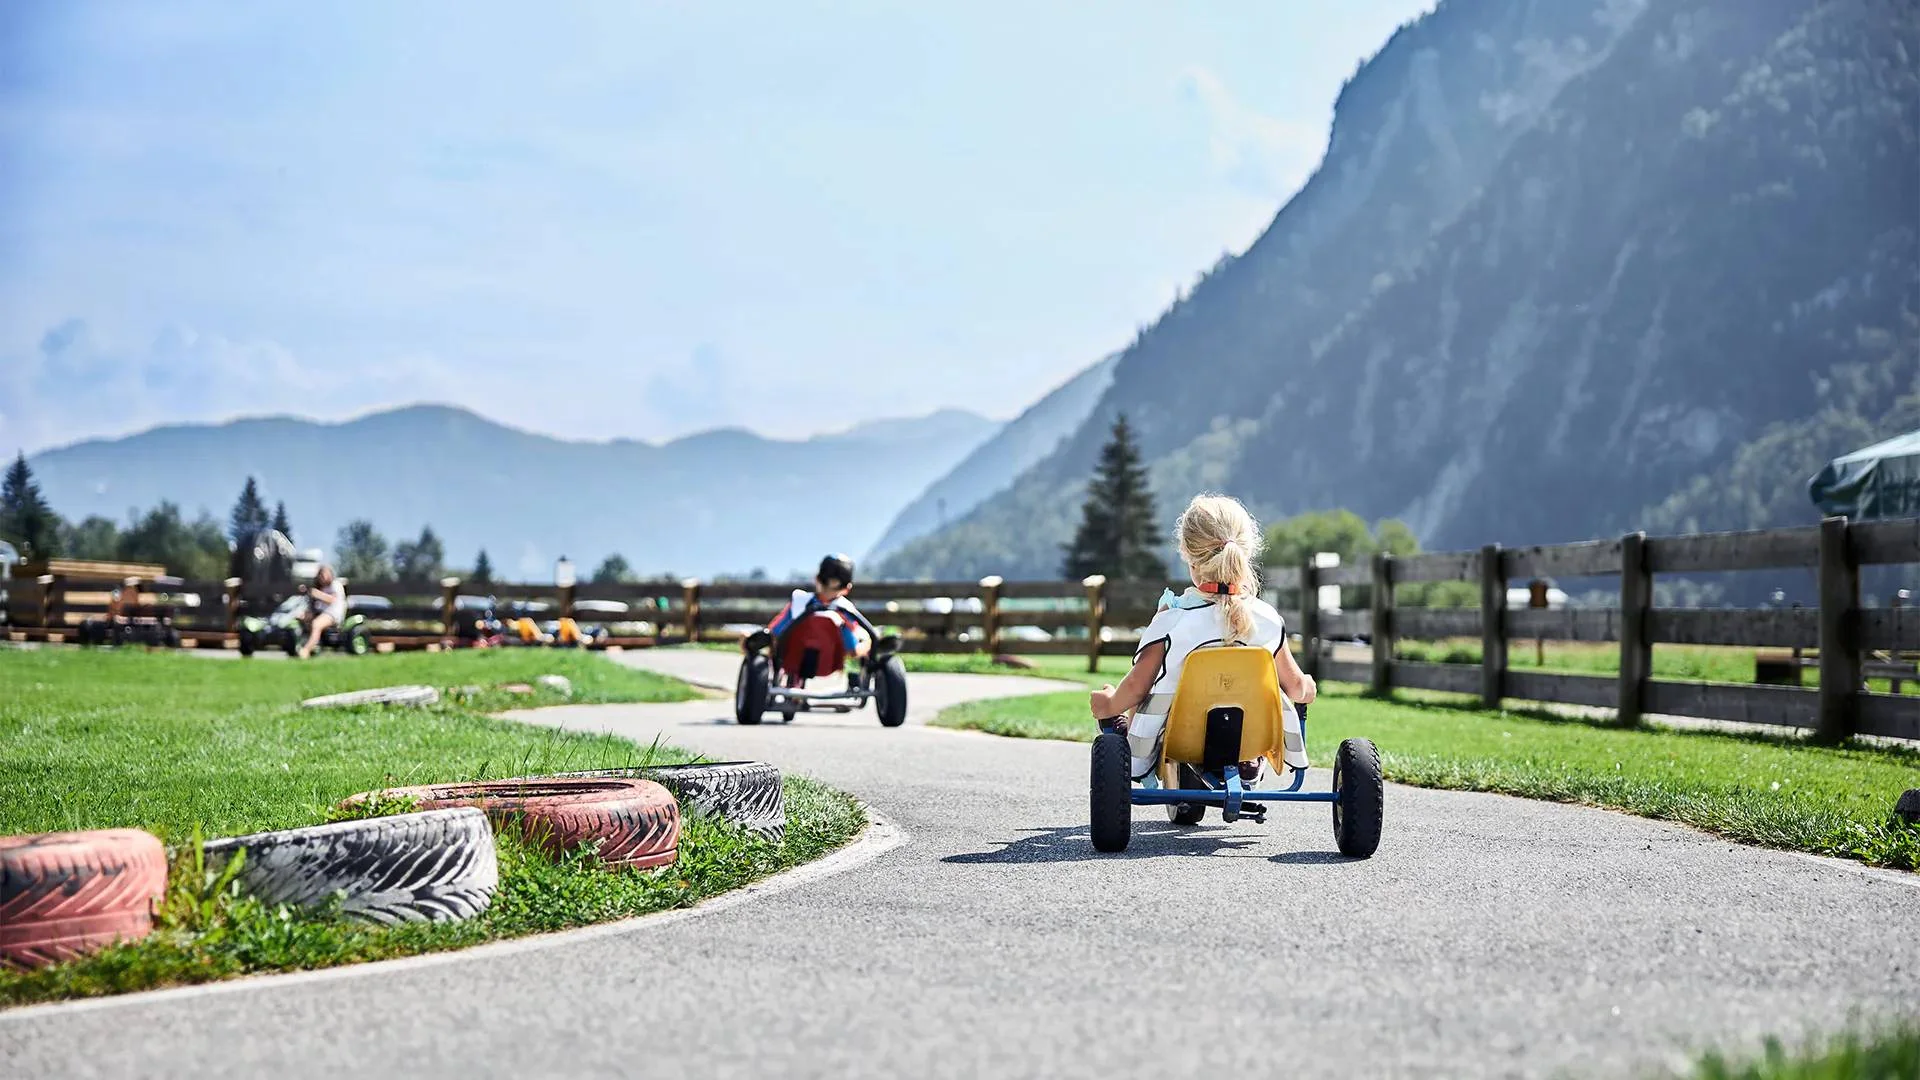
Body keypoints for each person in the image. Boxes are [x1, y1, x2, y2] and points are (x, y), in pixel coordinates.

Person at [1088, 494, 1316, 787]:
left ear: (1188, 555)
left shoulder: (1173, 620)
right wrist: (1307, 687)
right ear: (1245, 554)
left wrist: (1109, 706)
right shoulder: (1267, 619)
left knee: (1151, 693)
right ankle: (1247, 759)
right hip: (1253, 737)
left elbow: (1137, 685)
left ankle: (1129, 743)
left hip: (1180, 738)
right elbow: (1296, 687)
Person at [760, 553, 878, 661]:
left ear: (817, 579)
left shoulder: (799, 601)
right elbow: (852, 650)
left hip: (793, 661)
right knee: (865, 638)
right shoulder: (846, 609)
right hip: (829, 665)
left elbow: (775, 632)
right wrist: (867, 643)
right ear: (847, 588)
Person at [297, 564, 347, 659]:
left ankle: (306, 650)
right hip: (320, 611)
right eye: (320, 575)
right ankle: (307, 642)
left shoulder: (335, 585)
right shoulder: (321, 587)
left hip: (333, 614)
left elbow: (332, 600)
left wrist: (317, 594)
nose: (322, 577)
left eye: (324, 574)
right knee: (301, 617)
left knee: (316, 624)